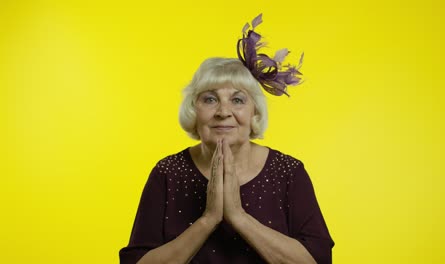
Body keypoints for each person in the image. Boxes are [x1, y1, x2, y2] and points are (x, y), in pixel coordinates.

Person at [119, 14, 334, 264]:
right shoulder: (167, 172)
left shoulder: (288, 172)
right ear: (194, 110)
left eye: (238, 99)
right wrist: (209, 219)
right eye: (210, 99)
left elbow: (317, 261)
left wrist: (238, 216)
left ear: (254, 111)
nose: (223, 111)